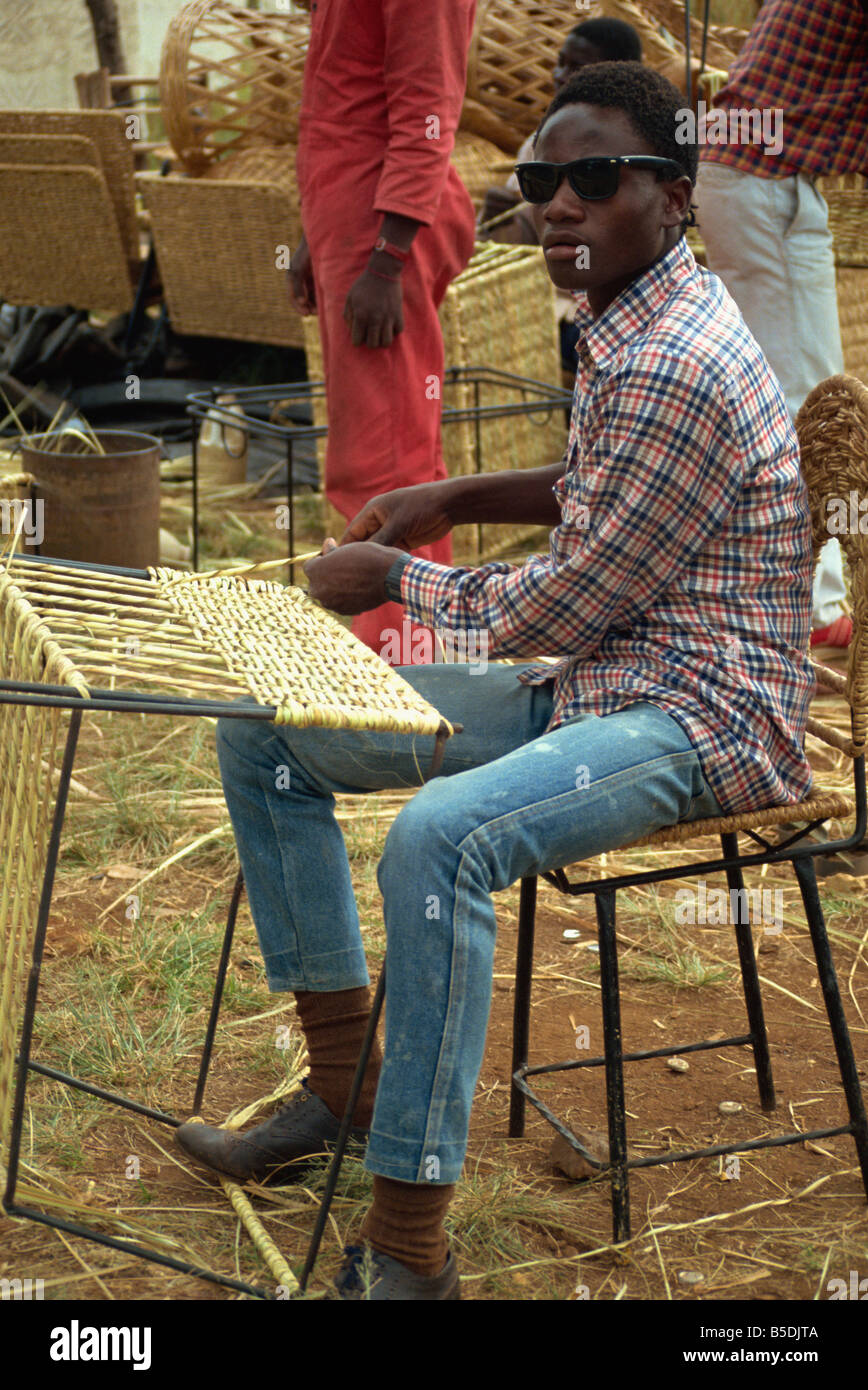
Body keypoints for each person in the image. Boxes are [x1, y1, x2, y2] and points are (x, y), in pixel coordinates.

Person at [175, 63, 815, 1300]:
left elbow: (562, 601)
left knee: (440, 840)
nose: (560, 208)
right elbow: (600, 494)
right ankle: (346, 1079)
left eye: (595, 179)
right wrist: (451, 496)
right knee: (266, 728)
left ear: (674, 196)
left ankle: (409, 1249)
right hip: (601, 676)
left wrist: (392, 577)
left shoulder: (677, 356)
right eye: (538, 183)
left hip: (701, 711)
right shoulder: (622, 314)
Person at [288, 0, 477, 662]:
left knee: (385, 457)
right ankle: (422, 644)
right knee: (392, 447)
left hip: (381, 228)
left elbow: (429, 110)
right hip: (354, 217)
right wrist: (315, 234)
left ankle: (400, 663)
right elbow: (342, 101)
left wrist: (387, 258)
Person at [693, 0, 868, 652]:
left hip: (757, 176)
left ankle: (783, 591)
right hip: (762, 180)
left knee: (791, 392)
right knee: (807, 402)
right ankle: (811, 606)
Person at [481, 16, 643, 378]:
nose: (559, 76)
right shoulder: (540, 143)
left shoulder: (640, 148)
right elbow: (509, 238)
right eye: (560, 63)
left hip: (605, 314)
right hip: (550, 309)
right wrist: (496, 216)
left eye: (576, 67)